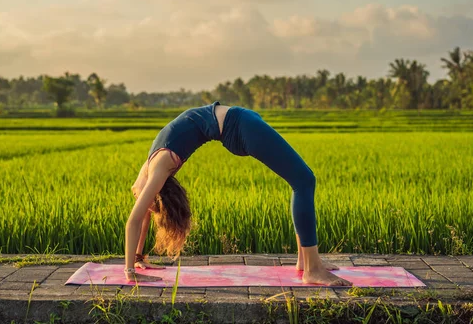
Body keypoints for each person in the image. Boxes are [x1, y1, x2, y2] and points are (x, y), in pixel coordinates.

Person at [125, 101, 352, 286]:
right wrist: (135, 262)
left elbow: (135, 219)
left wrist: (131, 267)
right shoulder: (153, 164)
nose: (142, 202)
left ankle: (307, 263)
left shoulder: (159, 168)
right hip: (239, 124)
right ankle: (312, 269)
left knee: (301, 181)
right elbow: (140, 216)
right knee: (304, 180)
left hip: (238, 125)